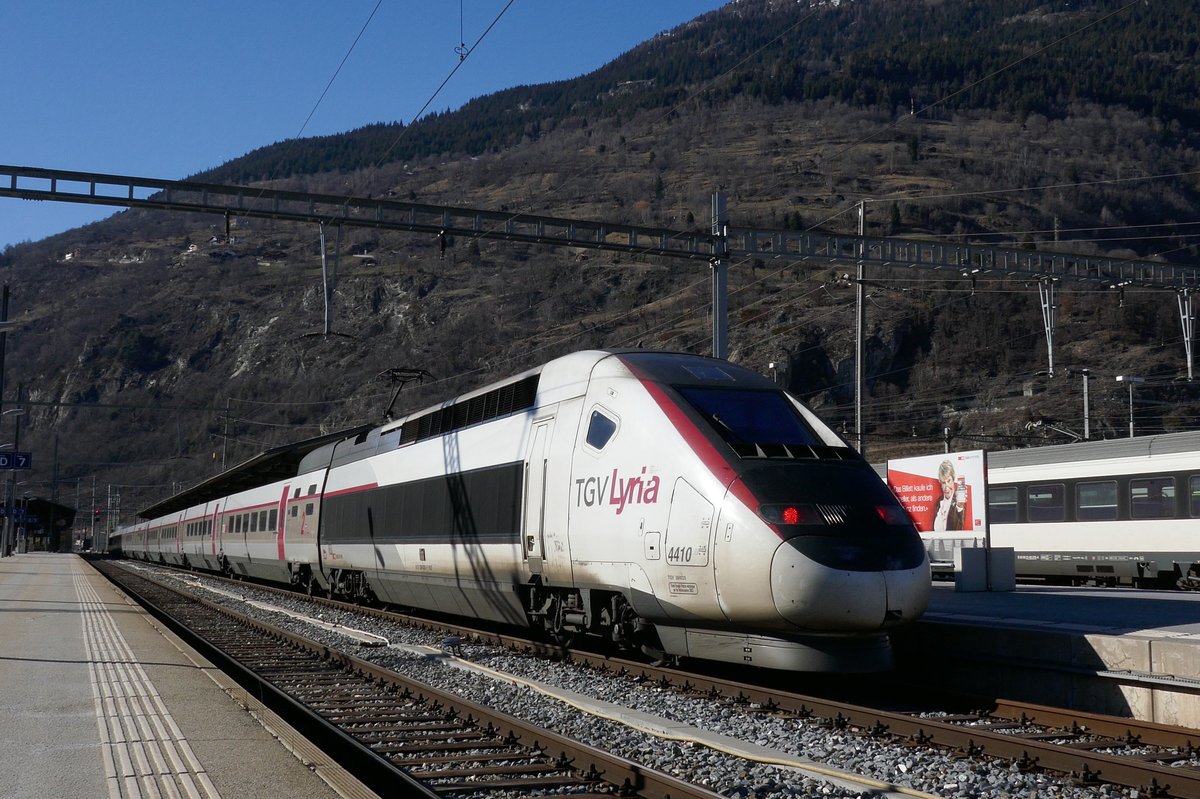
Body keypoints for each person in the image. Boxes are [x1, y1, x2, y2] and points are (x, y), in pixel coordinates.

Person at [933, 459, 966, 531]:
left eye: (949, 481)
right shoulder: (938, 502)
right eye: (943, 482)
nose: (946, 486)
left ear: (953, 479)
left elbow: (959, 527)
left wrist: (959, 507)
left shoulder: (960, 501)